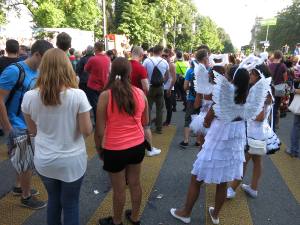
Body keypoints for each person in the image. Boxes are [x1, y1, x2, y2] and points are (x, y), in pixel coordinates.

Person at [170, 63, 270, 225]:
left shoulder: (221, 103)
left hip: (215, 148)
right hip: (232, 152)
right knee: (222, 183)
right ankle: (215, 215)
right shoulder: (249, 102)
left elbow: (207, 123)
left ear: (231, 79)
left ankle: (185, 213)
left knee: (196, 179)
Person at [21, 48, 92, 225]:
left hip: (45, 160)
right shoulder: (78, 95)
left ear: (42, 68)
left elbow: (34, 131)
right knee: (70, 204)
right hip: (72, 161)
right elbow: (86, 130)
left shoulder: (29, 97)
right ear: (67, 67)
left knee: (53, 200)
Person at [95, 57, 149, 225]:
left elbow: (99, 130)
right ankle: (135, 217)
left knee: (119, 188)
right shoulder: (140, 93)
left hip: (115, 148)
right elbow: (145, 122)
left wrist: (99, 150)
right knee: (135, 183)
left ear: (111, 72)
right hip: (137, 145)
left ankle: (117, 221)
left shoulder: (106, 96)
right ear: (130, 73)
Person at [0, 40, 53, 209]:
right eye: (45, 59)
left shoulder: (38, 71)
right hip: (17, 124)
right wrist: (8, 127)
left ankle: (18, 186)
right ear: (36, 54)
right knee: (27, 161)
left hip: (29, 123)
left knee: (23, 159)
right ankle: (26, 195)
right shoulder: (14, 71)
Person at [227, 63, 273, 199]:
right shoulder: (263, 89)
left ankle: (231, 189)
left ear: (259, 75)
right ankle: (253, 188)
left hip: (254, 133)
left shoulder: (262, 91)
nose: (250, 76)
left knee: (243, 161)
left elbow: (260, 117)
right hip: (258, 132)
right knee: (257, 161)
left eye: (252, 73)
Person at [130, 46, 161, 157]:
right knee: (145, 124)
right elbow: (146, 87)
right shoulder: (140, 68)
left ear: (131, 53)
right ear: (142, 55)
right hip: (138, 98)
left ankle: (131, 146)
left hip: (124, 98)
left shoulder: (124, 65)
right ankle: (149, 149)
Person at [143, 45, 169, 134]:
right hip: (160, 87)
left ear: (153, 51)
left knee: (148, 108)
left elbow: (143, 74)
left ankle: (147, 127)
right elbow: (167, 76)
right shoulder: (165, 62)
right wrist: (162, 83)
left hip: (149, 87)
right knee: (160, 108)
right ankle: (159, 128)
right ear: (161, 51)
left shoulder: (147, 61)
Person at [85, 42, 111, 123]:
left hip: (93, 86)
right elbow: (109, 71)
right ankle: (105, 122)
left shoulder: (92, 59)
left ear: (96, 48)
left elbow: (86, 69)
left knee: (95, 106)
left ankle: (98, 123)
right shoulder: (107, 58)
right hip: (104, 85)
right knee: (104, 105)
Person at [268, 50, 287, 131]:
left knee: (270, 106)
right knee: (276, 107)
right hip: (279, 89)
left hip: (271, 88)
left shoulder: (270, 65)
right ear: (281, 57)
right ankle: (273, 126)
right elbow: (285, 78)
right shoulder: (283, 66)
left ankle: (269, 124)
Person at [162, 48, 176, 126]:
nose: (164, 57)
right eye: (162, 55)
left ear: (170, 56)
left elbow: (174, 79)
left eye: (166, 56)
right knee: (162, 106)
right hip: (162, 88)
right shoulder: (162, 64)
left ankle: (168, 121)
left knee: (168, 106)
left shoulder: (171, 65)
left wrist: (170, 89)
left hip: (168, 88)